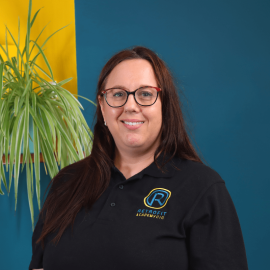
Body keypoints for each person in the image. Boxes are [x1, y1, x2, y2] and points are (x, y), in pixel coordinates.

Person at [29, 46, 249, 270]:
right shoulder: (67, 181)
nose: (131, 106)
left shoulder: (202, 187)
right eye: (118, 94)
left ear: (165, 105)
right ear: (103, 107)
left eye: (145, 94)